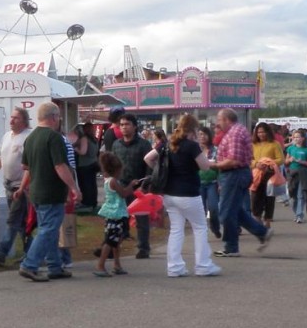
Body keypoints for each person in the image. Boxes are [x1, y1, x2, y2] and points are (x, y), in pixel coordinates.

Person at [145, 114, 221, 277]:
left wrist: (160, 170)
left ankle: (174, 267)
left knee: (176, 229)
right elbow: (205, 166)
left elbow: (148, 158)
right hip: (189, 193)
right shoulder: (192, 146)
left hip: (170, 193)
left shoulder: (168, 144)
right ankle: (203, 265)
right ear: (193, 129)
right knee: (200, 228)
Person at [15, 102, 81, 282]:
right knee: (48, 230)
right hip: (51, 192)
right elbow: (60, 165)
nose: (59, 120)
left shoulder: (31, 137)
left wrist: (23, 188)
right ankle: (29, 264)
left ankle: (55, 266)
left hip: (36, 191)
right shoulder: (54, 138)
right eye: (58, 116)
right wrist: (73, 188)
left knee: (49, 230)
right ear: (53, 117)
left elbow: (25, 167)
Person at [211, 109, 273, 257]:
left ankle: (231, 247)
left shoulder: (235, 134)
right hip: (235, 174)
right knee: (235, 210)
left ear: (226, 119)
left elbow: (234, 160)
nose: (218, 124)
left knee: (225, 213)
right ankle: (262, 232)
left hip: (234, 174)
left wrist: (213, 165)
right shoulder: (236, 131)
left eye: (219, 120)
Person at [0, 107, 32, 268]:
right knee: (22, 224)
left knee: (13, 220)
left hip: (22, 187)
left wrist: (23, 187)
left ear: (24, 121)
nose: (11, 121)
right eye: (11, 118)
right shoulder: (6, 137)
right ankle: (31, 254)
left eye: (16, 118)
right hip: (9, 185)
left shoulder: (28, 137)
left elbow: (29, 166)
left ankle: (1, 253)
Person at [110, 113, 152, 258]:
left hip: (139, 186)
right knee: (118, 219)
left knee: (141, 219)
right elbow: (112, 165)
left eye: (127, 124)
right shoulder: (116, 145)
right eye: (121, 125)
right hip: (121, 187)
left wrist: (145, 185)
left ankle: (143, 248)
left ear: (134, 127)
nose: (124, 127)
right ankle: (111, 248)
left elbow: (150, 167)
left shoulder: (144, 144)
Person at [93, 152, 140, 277]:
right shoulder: (113, 181)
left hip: (113, 214)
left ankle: (117, 264)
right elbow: (124, 193)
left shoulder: (107, 180)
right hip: (115, 214)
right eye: (120, 170)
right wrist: (132, 185)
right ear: (115, 170)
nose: (121, 173)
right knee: (110, 241)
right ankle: (101, 265)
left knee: (116, 241)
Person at [250, 122, 284, 227]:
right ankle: (257, 217)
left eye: (263, 132)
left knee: (269, 197)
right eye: (258, 132)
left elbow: (281, 159)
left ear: (267, 132)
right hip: (256, 174)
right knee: (255, 197)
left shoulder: (274, 144)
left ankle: (268, 220)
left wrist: (269, 163)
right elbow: (249, 159)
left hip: (270, 174)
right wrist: (256, 164)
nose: (261, 134)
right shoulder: (253, 145)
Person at [197, 125, 221, 239]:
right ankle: (202, 232)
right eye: (200, 134)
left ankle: (215, 227)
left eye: (204, 134)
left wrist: (220, 183)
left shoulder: (216, 150)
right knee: (200, 209)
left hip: (212, 182)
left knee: (213, 208)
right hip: (198, 183)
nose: (202, 137)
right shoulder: (195, 150)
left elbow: (220, 167)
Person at [285, 128, 307, 224]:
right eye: (295, 137)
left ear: (303, 138)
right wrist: (290, 160)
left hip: (303, 172)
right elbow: (285, 161)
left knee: (301, 194)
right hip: (292, 173)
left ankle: (299, 215)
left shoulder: (306, 150)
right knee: (293, 195)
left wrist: (301, 161)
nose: (296, 139)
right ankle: (296, 213)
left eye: (298, 137)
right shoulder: (290, 148)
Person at [70, 122, 99, 213]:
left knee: (85, 185)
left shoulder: (84, 138)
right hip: (93, 163)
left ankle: (86, 203)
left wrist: (74, 149)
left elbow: (83, 152)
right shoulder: (95, 139)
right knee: (92, 185)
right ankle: (93, 202)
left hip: (84, 165)